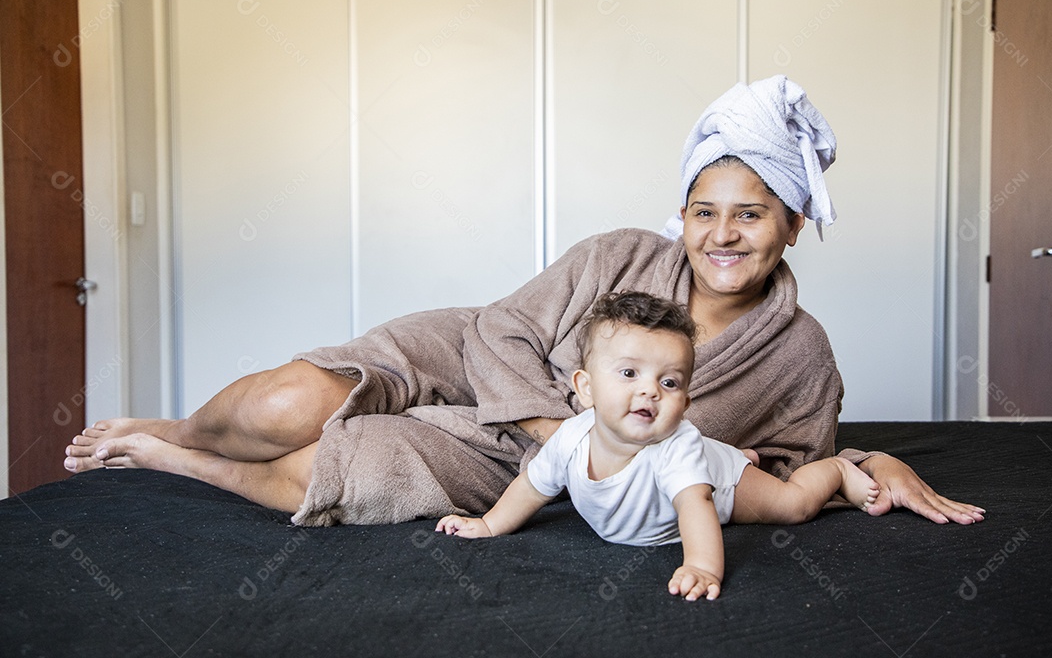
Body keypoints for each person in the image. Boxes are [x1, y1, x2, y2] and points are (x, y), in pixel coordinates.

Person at [63, 75, 985, 528]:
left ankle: (168, 460)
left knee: (333, 472)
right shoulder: (622, 253)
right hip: (472, 358)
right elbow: (503, 327)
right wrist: (557, 430)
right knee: (282, 406)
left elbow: (787, 470)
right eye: (704, 211)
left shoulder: (800, 353)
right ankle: (183, 428)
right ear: (683, 216)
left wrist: (871, 459)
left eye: (751, 215)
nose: (722, 235)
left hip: (503, 462)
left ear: (791, 227)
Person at [435, 291, 881, 601]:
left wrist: (703, 567)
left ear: (684, 403)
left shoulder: (675, 446)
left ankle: (836, 471)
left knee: (792, 505)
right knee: (714, 459)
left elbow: (694, 507)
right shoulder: (571, 438)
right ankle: (742, 455)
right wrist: (491, 525)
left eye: (668, 382)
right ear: (585, 388)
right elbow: (532, 487)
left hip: (716, 484)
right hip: (698, 463)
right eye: (629, 374)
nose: (650, 391)